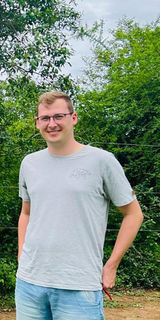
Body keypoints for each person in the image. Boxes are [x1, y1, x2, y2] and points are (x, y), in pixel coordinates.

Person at [15, 91, 143, 320]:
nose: (51, 124)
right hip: (29, 284)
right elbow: (26, 213)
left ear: (73, 118)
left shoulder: (102, 161)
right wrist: (21, 258)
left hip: (79, 285)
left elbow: (133, 215)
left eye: (58, 116)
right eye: (45, 118)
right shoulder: (29, 163)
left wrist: (111, 265)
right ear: (37, 123)